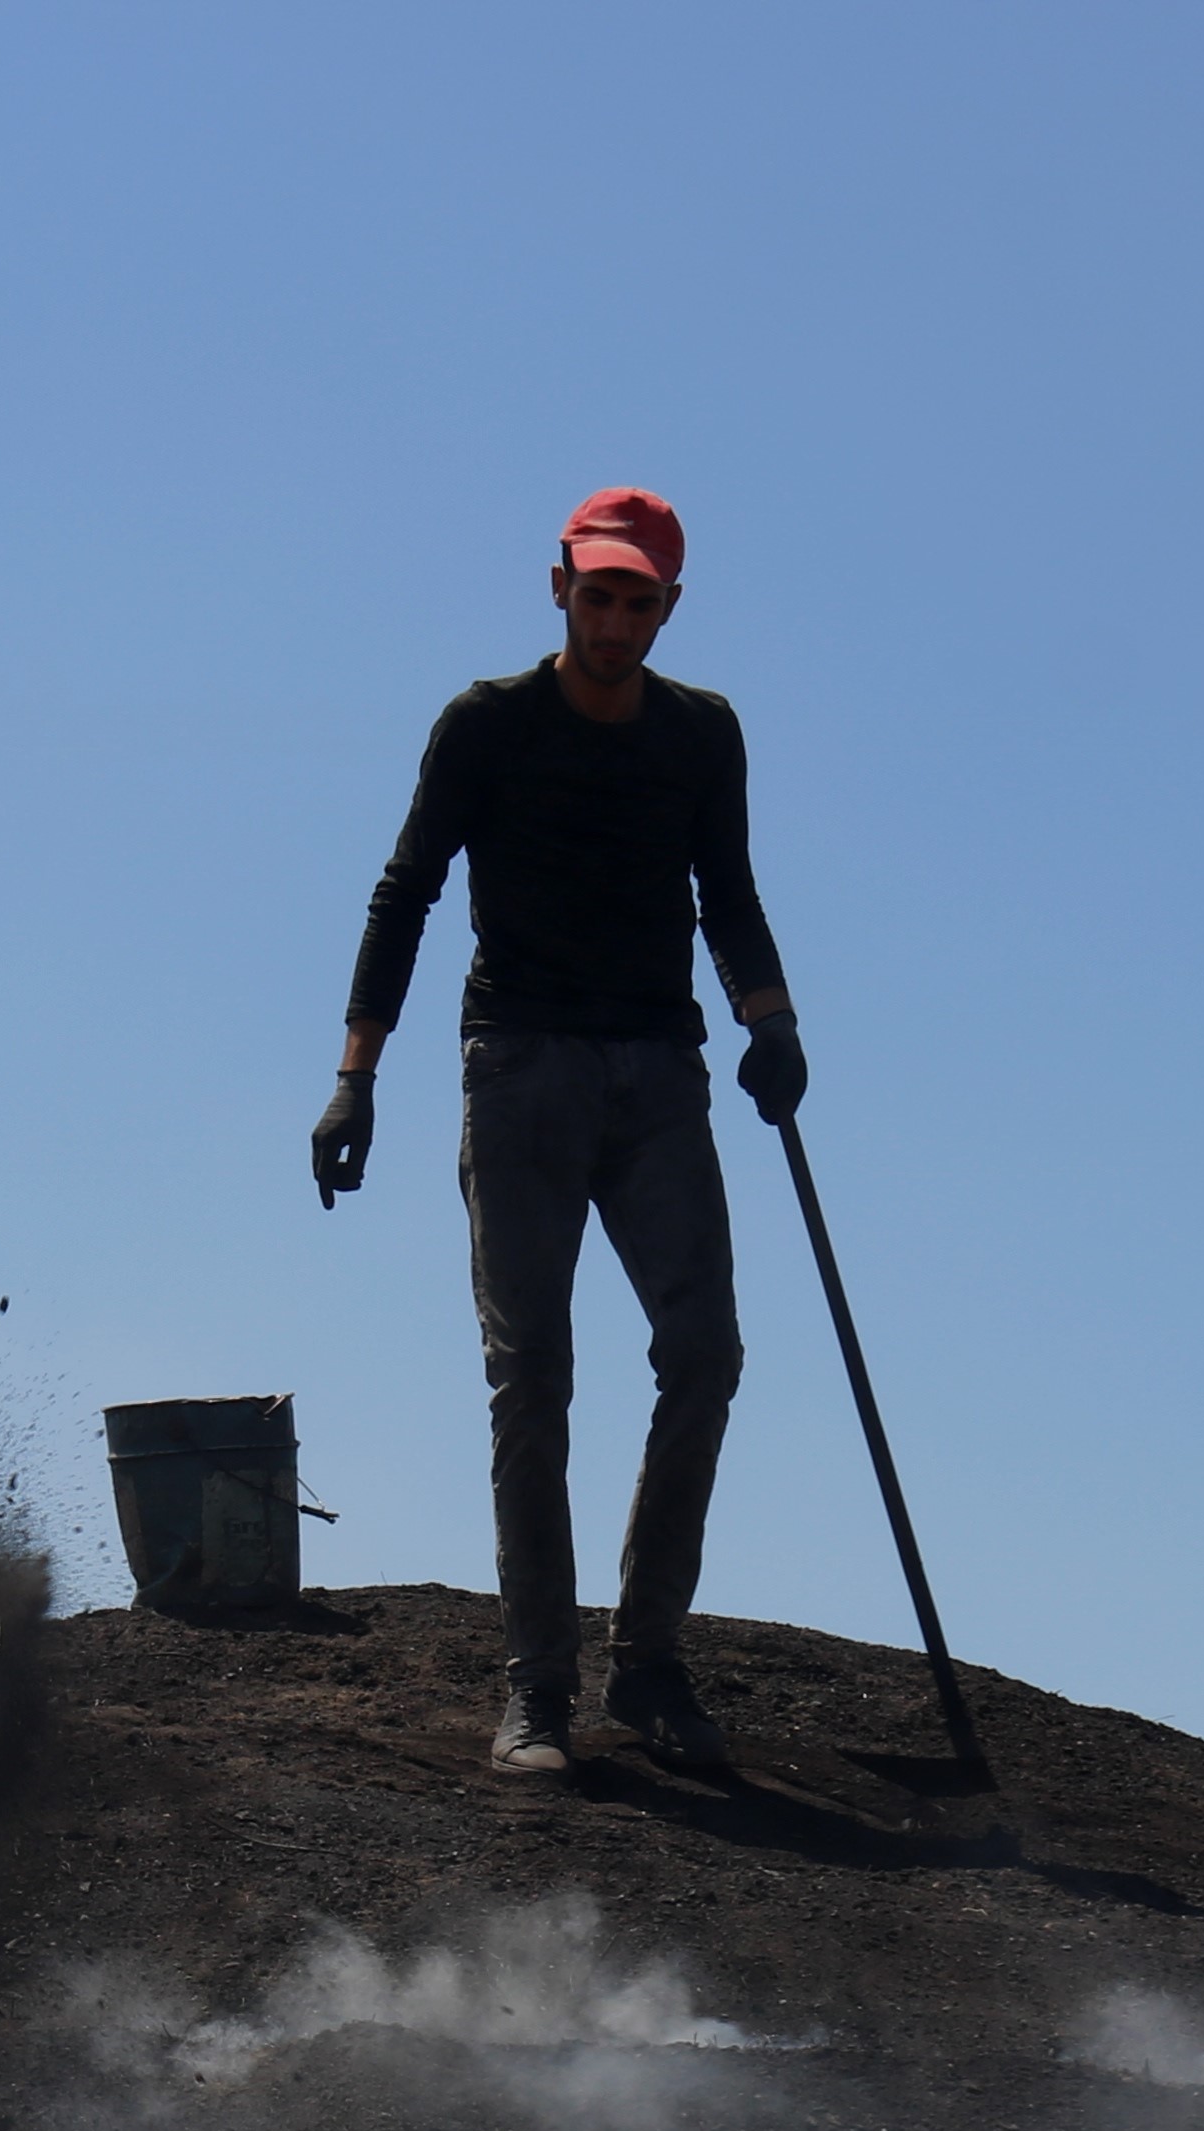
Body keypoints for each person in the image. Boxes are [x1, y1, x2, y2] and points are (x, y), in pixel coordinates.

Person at [318, 482, 804, 1777]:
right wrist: (356, 1077)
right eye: (598, 593)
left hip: (661, 1074)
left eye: (639, 600)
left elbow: (730, 893)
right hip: (518, 1067)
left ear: (668, 609)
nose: (615, 617)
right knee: (532, 1371)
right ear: (559, 589)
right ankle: (539, 1686)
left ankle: (647, 1664)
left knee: (706, 1353)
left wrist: (773, 1022)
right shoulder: (487, 727)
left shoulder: (702, 737)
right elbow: (406, 891)